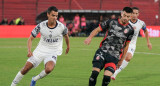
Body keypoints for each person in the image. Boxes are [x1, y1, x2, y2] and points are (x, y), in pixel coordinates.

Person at [11, 6, 70, 86]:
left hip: (53, 51)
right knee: (26, 68)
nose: (55, 18)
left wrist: (68, 46)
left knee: (49, 69)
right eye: (53, 15)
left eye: (56, 16)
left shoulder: (61, 27)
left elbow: (66, 36)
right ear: (48, 14)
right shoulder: (40, 26)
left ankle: (34, 79)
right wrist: (29, 50)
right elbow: (30, 39)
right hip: (40, 50)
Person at [84, 7, 134, 86]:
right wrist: (90, 37)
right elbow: (97, 29)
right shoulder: (111, 22)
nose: (125, 18)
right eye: (124, 15)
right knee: (94, 74)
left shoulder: (130, 30)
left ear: (131, 17)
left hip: (114, 56)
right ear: (121, 14)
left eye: (128, 16)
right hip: (102, 51)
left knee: (107, 78)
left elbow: (126, 46)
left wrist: (121, 60)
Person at [111, 7, 152, 80]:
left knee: (128, 57)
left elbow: (145, 31)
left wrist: (148, 42)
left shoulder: (141, 23)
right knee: (117, 58)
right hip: (122, 43)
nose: (134, 15)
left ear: (138, 14)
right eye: (133, 13)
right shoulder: (126, 21)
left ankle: (115, 73)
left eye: (136, 13)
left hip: (132, 44)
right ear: (130, 13)